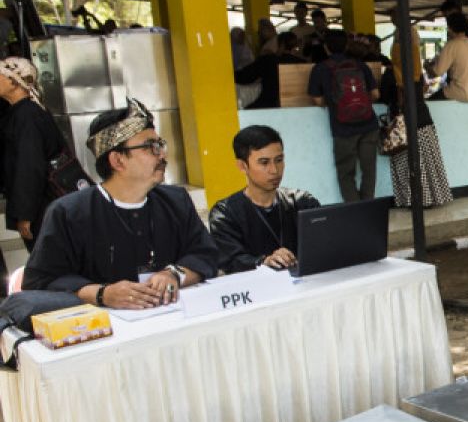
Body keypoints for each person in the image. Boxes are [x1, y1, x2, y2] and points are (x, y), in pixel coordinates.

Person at [22, 99, 218, 306]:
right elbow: (41, 281)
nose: (162, 154)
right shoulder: (69, 212)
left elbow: (206, 254)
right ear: (117, 160)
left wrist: (174, 274)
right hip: (104, 329)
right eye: (150, 147)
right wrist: (102, 294)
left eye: (160, 144)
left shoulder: (175, 200)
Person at [207, 126, 319, 274]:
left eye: (279, 160)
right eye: (264, 162)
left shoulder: (302, 202)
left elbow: (324, 245)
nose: (274, 170)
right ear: (242, 166)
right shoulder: (225, 213)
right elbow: (230, 260)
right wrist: (263, 262)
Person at [307, 29, 380, 202]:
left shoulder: (320, 68)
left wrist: (335, 102)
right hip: (369, 125)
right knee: (369, 170)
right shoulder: (360, 65)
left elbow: (317, 100)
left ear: (326, 47)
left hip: (343, 128)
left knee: (346, 173)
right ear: (347, 45)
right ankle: (368, 206)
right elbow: (375, 94)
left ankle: (355, 211)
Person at [1, 57, 65, 249]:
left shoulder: (26, 115)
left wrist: (25, 215)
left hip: (42, 207)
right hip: (42, 205)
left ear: (14, 82)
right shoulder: (22, 112)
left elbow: (30, 167)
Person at [380, 45, 453, 208]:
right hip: (423, 120)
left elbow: (383, 97)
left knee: (405, 164)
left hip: (401, 125)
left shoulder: (391, 75)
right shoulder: (416, 73)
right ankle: (430, 199)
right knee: (428, 163)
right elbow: (424, 89)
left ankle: (413, 201)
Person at [428, 12, 468, 103]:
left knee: (429, 103)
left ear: (450, 28)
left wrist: (427, 66)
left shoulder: (451, 45)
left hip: (461, 93)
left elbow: (437, 72)